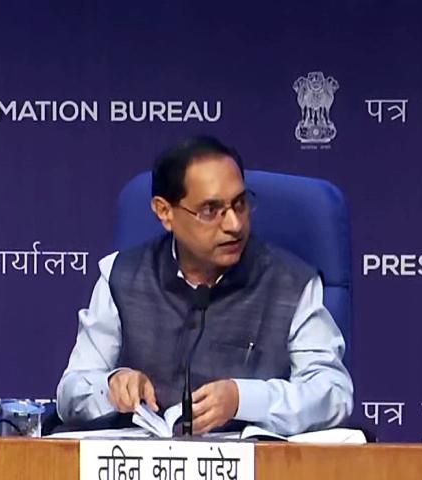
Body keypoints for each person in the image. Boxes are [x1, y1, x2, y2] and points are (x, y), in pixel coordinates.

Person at [56, 136, 352, 436]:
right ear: (164, 212)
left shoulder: (291, 283)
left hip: (254, 462)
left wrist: (243, 399)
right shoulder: (121, 276)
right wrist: (111, 387)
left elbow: (333, 393)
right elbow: (70, 392)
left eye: (240, 204)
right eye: (211, 210)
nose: (234, 225)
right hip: (135, 460)